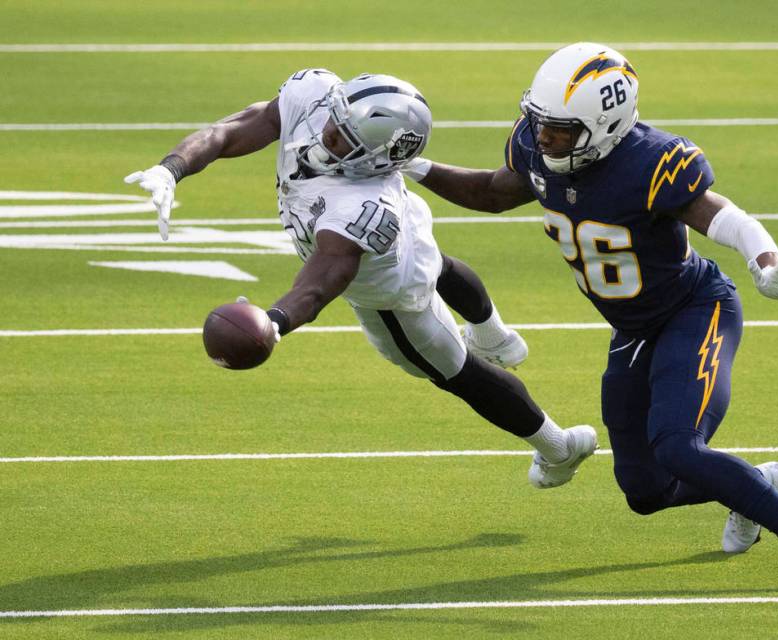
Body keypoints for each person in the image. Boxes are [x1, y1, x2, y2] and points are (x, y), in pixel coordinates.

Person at [403, 42, 778, 594]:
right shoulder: (538, 144)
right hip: (634, 330)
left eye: (561, 130)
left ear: (606, 126)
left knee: (678, 446)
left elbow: (720, 214)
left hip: (693, 311)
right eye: (541, 123)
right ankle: (751, 488)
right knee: (644, 492)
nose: (545, 138)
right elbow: (491, 191)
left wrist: (764, 262)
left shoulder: (650, 161)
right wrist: (415, 165)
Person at [124, 67, 597, 489]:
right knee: (441, 263)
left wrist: (273, 322)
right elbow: (232, 130)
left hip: (388, 294)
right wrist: (173, 168)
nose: (325, 133)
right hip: (407, 222)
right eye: (334, 121)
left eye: (341, 139)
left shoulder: (362, 205)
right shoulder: (316, 95)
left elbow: (323, 278)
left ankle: (559, 448)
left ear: (378, 158)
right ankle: (496, 335)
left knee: (457, 372)